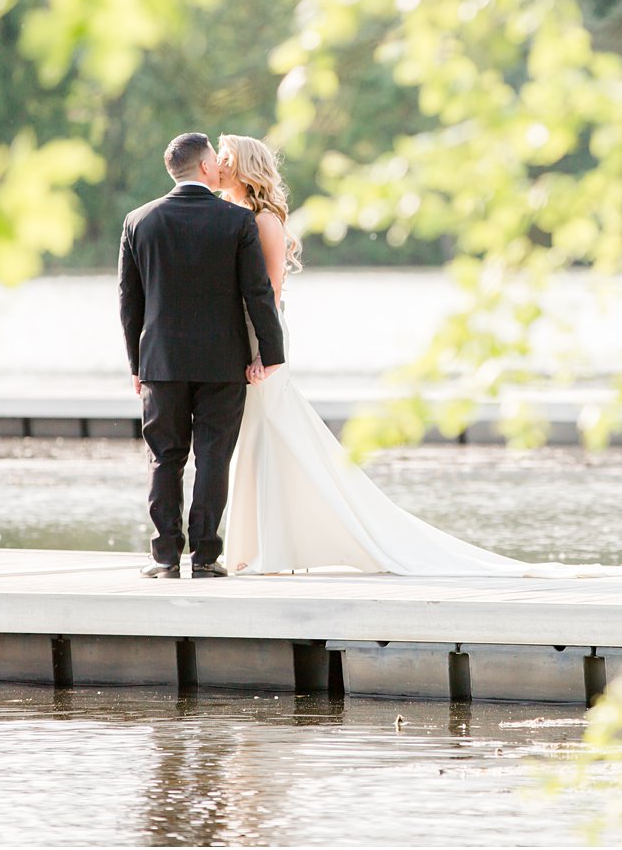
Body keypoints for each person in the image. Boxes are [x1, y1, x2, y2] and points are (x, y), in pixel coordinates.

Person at [212, 134, 539, 575]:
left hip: (261, 335)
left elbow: (268, 290)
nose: (220, 165)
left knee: (267, 429)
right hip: (243, 333)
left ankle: (273, 547)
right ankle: (263, 545)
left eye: (228, 158)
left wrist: (262, 353)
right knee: (257, 433)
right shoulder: (231, 216)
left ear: (247, 166)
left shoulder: (264, 220)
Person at [118, 132, 285, 579]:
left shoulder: (139, 221)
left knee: (165, 457)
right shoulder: (235, 222)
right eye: (216, 159)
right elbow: (257, 294)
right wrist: (271, 354)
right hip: (222, 361)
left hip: (162, 363)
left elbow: (128, 302)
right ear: (207, 167)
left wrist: (137, 366)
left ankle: (165, 555)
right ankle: (206, 556)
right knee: (213, 457)